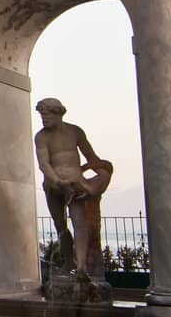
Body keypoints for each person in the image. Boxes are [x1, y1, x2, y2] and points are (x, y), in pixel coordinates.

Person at [34, 97, 113, 278]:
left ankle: (82, 267)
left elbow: (92, 158)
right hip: (54, 185)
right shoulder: (41, 136)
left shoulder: (75, 132)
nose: (44, 118)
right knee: (60, 225)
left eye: (47, 114)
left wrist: (98, 174)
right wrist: (58, 181)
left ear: (59, 113)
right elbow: (44, 164)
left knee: (79, 224)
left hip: (75, 184)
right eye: (41, 115)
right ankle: (69, 262)